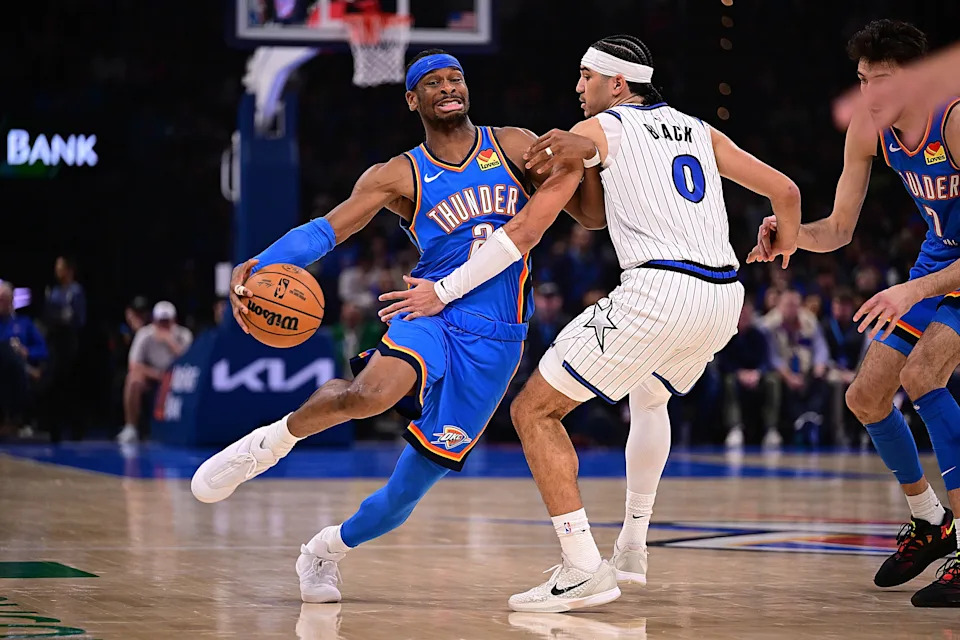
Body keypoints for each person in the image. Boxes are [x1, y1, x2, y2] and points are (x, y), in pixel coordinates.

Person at [381, 34, 800, 611]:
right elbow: (786, 190)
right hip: (726, 297)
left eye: (585, 78)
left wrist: (445, 290)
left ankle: (581, 567)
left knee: (533, 410)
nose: (578, 88)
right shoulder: (702, 129)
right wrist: (780, 243)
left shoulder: (601, 129)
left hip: (659, 290)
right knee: (652, 399)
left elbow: (525, 232)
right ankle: (632, 546)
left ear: (617, 84)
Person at [191, 49, 595, 605]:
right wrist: (261, 263)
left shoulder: (515, 145)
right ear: (413, 99)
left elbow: (588, 213)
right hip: (429, 309)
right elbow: (327, 231)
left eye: (456, 78)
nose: (448, 87)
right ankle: (269, 443)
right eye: (433, 83)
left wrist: (589, 156)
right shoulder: (398, 174)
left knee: (403, 497)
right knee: (369, 394)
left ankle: (324, 551)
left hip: (498, 339)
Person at [751, 20, 960, 607]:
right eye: (863, 80)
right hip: (942, 260)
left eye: (884, 80)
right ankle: (930, 520)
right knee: (865, 397)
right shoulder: (870, 131)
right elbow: (839, 230)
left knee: (921, 377)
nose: (869, 94)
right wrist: (789, 235)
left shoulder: (953, 121)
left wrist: (911, 291)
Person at [760, 289, 829, 447]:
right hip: (783, 371)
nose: (791, 309)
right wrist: (788, 376)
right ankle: (798, 423)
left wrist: (819, 365)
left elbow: (821, 348)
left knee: (823, 380)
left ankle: (811, 418)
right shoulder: (769, 324)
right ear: (779, 306)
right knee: (778, 383)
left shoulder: (809, 320)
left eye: (795, 305)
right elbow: (772, 357)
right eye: (787, 305)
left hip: (807, 371)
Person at [117, 301, 193, 444]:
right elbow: (134, 365)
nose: (163, 326)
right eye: (160, 322)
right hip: (154, 377)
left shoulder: (183, 335)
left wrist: (170, 342)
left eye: (167, 322)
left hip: (177, 379)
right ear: (154, 321)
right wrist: (158, 375)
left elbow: (190, 363)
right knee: (133, 380)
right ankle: (131, 428)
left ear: (174, 320)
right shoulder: (144, 334)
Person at [720, 299, 779, 449]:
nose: (744, 317)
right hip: (735, 375)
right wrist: (739, 373)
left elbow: (766, 360)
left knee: (772, 381)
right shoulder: (727, 335)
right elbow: (723, 361)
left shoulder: (759, 335)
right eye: (741, 314)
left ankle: (771, 429)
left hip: (756, 375)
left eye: (747, 314)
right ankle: (735, 428)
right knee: (729, 382)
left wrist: (757, 373)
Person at [42, 255, 86, 442]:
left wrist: (64, 320)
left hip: (70, 343)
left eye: (60, 267)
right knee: (54, 386)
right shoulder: (53, 292)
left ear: (69, 270)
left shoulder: (75, 291)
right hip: (54, 343)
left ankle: (76, 430)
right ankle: (54, 430)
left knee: (71, 386)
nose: (57, 271)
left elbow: (79, 319)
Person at [0, 282, 47, 432]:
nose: (1, 303)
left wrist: (26, 351)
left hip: (18, 370)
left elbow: (43, 350)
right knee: (6, 349)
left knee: (12, 355)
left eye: (4, 299)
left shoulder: (24, 323)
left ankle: (15, 419)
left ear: (12, 300)